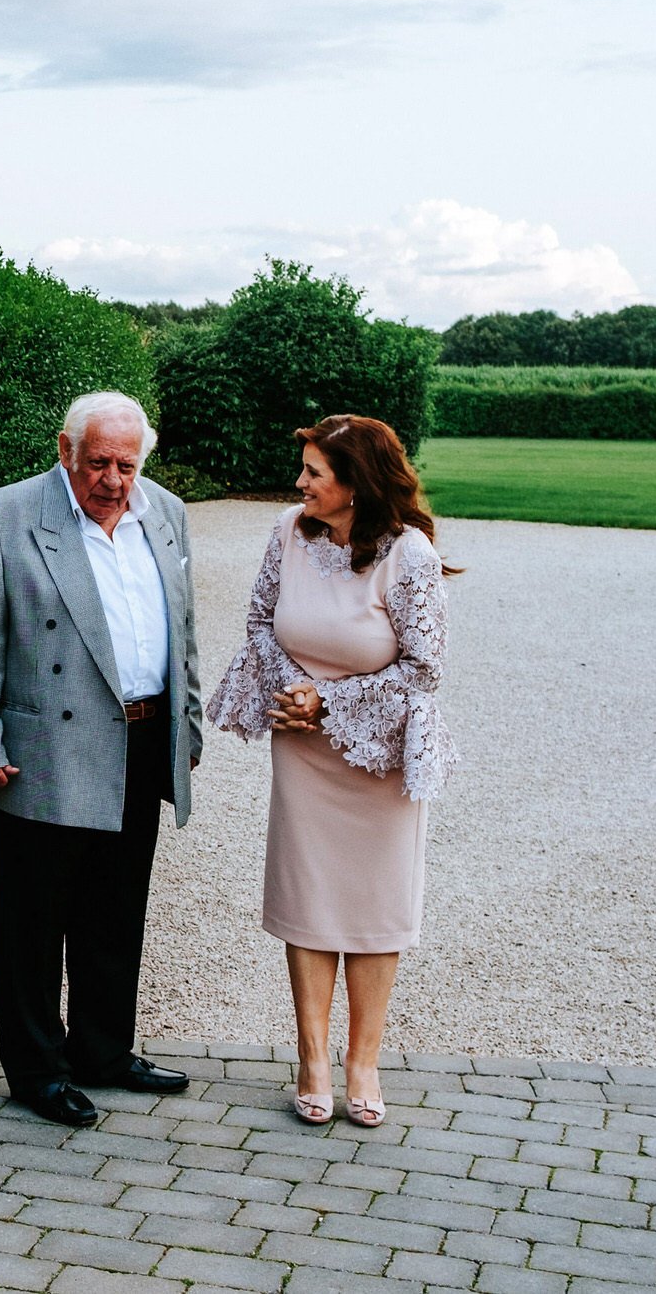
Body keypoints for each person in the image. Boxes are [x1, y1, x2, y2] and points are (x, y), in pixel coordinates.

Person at [0, 390, 204, 1128]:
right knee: (34, 920)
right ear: (65, 449)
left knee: (116, 911)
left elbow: (181, 630)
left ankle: (103, 1050)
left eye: (127, 464)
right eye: (98, 462)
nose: (114, 480)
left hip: (144, 737)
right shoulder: (4, 516)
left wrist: (187, 726)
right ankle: (36, 1068)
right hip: (44, 748)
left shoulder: (167, 512)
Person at [209, 413, 458, 1129]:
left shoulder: (408, 554)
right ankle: (313, 1058)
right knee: (310, 896)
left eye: (315, 472)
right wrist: (295, 693)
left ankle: (364, 1062)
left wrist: (333, 701)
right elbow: (259, 621)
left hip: (379, 754)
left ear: (356, 483)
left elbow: (425, 667)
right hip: (303, 746)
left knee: (375, 906)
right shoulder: (287, 531)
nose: (300, 483)